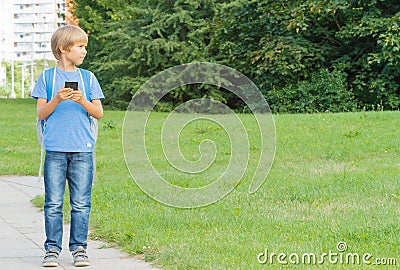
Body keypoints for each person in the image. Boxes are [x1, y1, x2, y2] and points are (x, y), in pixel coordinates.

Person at [31, 25, 104, 267]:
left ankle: (79, 249)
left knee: (81, 202)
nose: (84, 51)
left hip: (83, 149)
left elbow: (98, 113)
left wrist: (82, 99)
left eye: (85, 46)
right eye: (80, 46)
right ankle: (51, 249)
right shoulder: (47, 78)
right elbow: (42, 113)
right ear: (63, 49)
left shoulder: (88, 78)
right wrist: (58, 98)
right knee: (52, 202)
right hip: (55, 149)